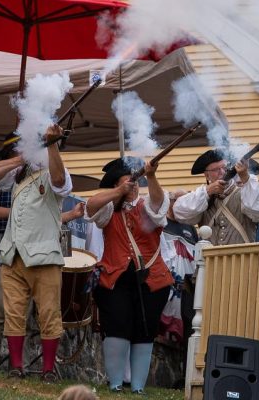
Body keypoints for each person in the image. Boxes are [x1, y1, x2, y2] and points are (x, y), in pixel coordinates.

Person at [0, 133, 85, 371]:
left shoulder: (54, 175)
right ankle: (12, 368)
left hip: (43, 255)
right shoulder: (15, 172)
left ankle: (47, 370)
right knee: (10, 314)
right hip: (11, 253)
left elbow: (57, 179)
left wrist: (52, 144)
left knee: (47, 314)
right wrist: (22, 159)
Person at [86, 157, 173, 394]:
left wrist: (151, 175)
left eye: (136, 181)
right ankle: (115, 384)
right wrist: (117, 191)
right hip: (115, 279)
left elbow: (160, 204)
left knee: (145, 331)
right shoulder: (108, 208)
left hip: (152, 279)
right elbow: (90, 206)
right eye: (129, 180)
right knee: (116, 326)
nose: (134, 185)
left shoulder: (147, 205)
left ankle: (137, 387)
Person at [173, 150, 259, 246]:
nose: (222, 172)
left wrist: (245, 176)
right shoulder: (202, 198)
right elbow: (179, 212)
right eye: (216, 170)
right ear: (207, 175)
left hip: (242, 259)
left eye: (224, 167)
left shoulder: (246, 194)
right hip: (211, 260)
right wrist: (208, 191)